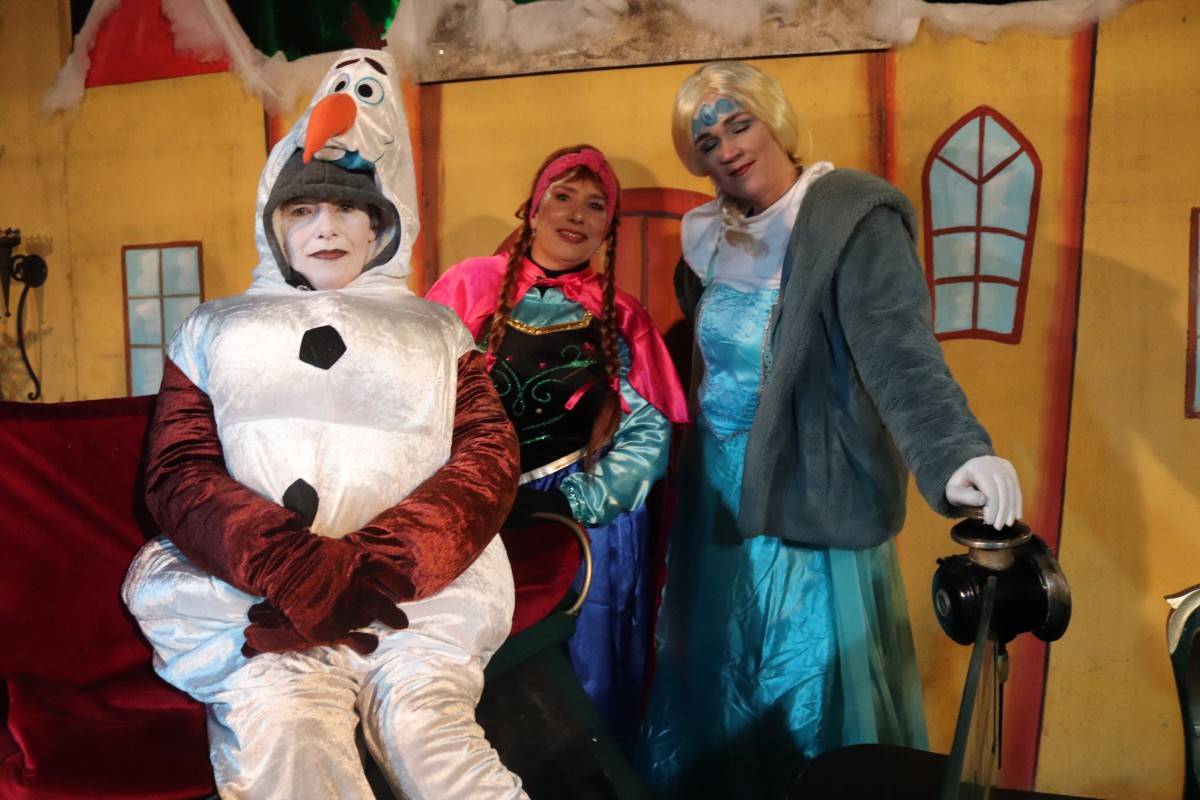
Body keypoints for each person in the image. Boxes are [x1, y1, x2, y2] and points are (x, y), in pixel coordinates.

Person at [121, 49, 529, 800]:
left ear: (381, 224)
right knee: (288, 735)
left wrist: (379, 567)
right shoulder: (212, 327)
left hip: (414, 600)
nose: (325, 227)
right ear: (274, 226)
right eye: (302, 210)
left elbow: (487, 458)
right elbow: (179, 470)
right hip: (255, 598)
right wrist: (289, 567)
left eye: (347, 208)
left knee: (431, 736)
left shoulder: (437, 329)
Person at [639, 61, 1023, 798]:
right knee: (718, 671)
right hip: (715, 500)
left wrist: (956, 453)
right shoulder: (707, 237)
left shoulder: (849, 214)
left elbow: (898, 350)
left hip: (804, 493)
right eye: (708, 140)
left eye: (740, 125)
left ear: (775, 122)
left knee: (801, 682)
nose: (728, 149)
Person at [426, 145, 689, 743]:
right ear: (534, 208)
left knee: (579, 680)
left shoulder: (622, 317)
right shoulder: (467, 286)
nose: (575, 215)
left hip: (586, 525)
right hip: (476, 512)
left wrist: (574, 502)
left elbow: (648, 432)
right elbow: (418, 399)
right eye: (563, 197)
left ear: (608, 226)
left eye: (594, 205)